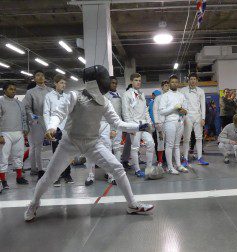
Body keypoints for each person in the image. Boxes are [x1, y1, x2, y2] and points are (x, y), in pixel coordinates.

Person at [24, 65, 154, 221]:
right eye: (103, 79)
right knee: (50, 176)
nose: (105, 82)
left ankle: (132, 204)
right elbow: (58, 113)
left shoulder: (104, 102)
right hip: (70, 142)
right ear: (95, 81)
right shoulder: (74, 96)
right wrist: (52, 127)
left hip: (93, 142)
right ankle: (34, 203)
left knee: (117, 168)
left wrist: (138, 126)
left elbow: (117, 123)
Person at [122, 73, 155, 177]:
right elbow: (125, 113)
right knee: (135, 148)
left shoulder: (142, 94)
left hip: (144, 124)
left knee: (151, 143)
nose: (138, 82)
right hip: (134, 125)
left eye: (140, 80)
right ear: (131, 81)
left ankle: (149, 167)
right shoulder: (126, 95)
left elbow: (145, 111)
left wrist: (149, 123)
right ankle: (137, 169)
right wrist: (129, 127)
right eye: (136, 80)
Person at [43, 74, 73, 187]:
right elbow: (46, 113)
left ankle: (67, 174)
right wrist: (49, 128)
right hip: (55, 128)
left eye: (65, 83)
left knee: (68, 152)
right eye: (61, 83)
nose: (63, 85)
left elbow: (70, 113)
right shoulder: (48, 96)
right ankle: (56, 176)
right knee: (56, 153)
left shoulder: (67, 96)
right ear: (55, 83)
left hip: (66, 128)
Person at [23, 70, 52, 179]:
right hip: (37, 121)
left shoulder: (51, 91)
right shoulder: (30, 92)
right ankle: (39, 170)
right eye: (38, 75)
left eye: (42, 75)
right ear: (34, 78)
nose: (40, 77)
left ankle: (57, 169)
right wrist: (34, 118)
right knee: (37, 146)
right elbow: (27, 108)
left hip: (50, 121)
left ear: (45, 78)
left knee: (56, 145)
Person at [0, 83, 29, 191]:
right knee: (4, 158)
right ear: (5, 91)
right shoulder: (0, 102)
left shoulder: (19, 103)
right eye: (10, 89)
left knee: (18, 156)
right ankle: (3, 180)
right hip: (5, 133)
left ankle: (19, 177)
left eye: (14, 89)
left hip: (19, 133)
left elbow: (24, 117)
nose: (13, 91)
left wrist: (25, 129)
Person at [159, 74, 188, 174]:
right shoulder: (165, 96)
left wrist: (183, 110)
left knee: (176, 145)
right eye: (172, 82)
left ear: (178, 83)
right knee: (169, 145)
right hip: (170, 122)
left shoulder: (181, 95)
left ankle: (178, 165)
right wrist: (173, 108)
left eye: (176, 82)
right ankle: (170, 167)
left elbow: (186, 109)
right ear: (169, 83)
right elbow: (162, 111)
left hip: (180, 122)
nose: (174, 84)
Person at [180, 72, 209, 167]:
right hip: (187, 116)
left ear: (197, 80)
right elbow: (180, 105)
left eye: (194, 79)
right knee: (186, 139)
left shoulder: (201, 91)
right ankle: (185, 159)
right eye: (191, 79)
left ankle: (200, 158)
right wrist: (182, 118)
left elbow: (203, 105)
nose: (192, 81)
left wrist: (203, 118)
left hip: (198, 116)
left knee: (199, 138)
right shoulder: (183, 90)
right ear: (188, 80)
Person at [153, 81, 170, 168]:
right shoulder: (158, 98)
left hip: (170, 123)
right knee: (160, 143)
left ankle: (169, 161)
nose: (167, 87)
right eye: (165, 86)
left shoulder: (172, 97)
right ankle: (160, 161)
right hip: (160, 124)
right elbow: (155, 111)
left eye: (168, 85)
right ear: (162, 87)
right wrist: (158, 125)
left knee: (169, 143)